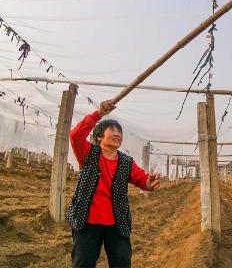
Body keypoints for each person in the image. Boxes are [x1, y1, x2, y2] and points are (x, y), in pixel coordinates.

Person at [66, 99, 161, 268]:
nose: (117, 133)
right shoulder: (88, 153)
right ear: (99, 136)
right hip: (87, 221)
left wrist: (149, 182)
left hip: (117, 223)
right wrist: (99, 114)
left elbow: (142, 179)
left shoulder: (126, 162)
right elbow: (75, 135)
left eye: (120, 131)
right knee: (83, 263)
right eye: (112, 129)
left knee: (122, 263)